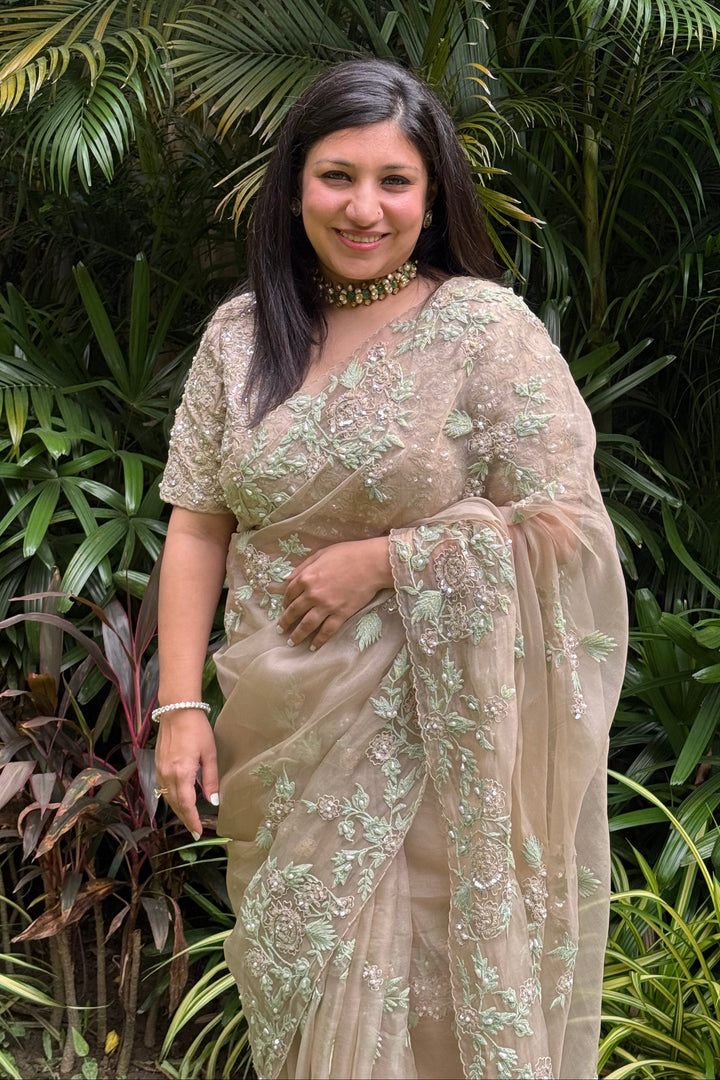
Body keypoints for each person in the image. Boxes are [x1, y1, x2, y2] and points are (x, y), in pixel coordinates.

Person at [154, 58, 627, 1080]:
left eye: (394, 181)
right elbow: (199, 526)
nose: (364, 207)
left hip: (431, 736)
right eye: (337, 176)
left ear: (432, 195)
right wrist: (179, 707)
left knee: (421, 1015)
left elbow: (567, 533)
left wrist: (391, 559)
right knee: (300, 991)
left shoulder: (484, 331)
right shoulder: (239, 338)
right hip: (279, 732)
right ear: (292, 187)